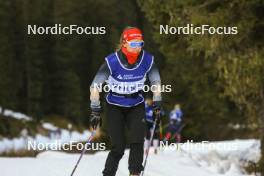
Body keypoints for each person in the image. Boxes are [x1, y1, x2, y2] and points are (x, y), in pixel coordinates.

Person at [89, 27, 162, 176]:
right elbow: (95, 86)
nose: (137, 48)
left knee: (137, 141)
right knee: (118, 147)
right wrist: (95, 110)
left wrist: (157, 104)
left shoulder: (147, 60)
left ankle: (134, 173)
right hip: (114, 106)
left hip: (136, 104)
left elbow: (156, 82)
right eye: (133, 44)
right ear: (124, 43)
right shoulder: (112, 62)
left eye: (140, 44)